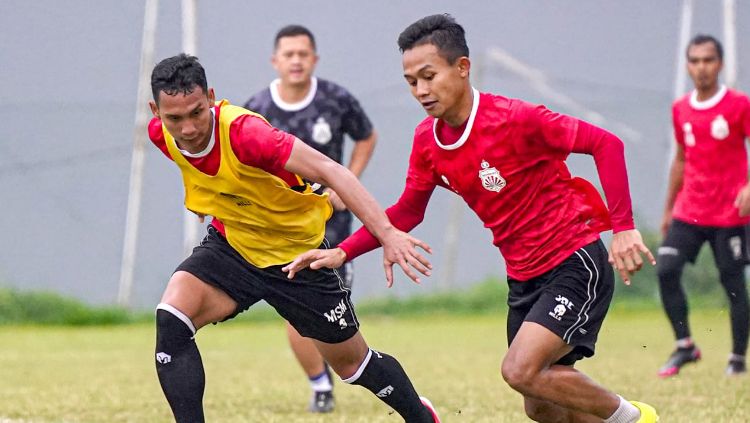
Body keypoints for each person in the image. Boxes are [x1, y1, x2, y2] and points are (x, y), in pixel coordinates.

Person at [284, 14, 660, 422]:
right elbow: (408, 210)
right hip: (523, 277)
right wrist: (343, 252)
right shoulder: (427, 141)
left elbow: (606, 143)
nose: (421, 91)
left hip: (573, 261)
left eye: (429, 76)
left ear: (462, 68)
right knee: (542, 407)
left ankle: (635, 419)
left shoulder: (515, 118)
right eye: (411, 82)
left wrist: (623, 228)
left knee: (520, 370)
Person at [147, 53, 441, 423]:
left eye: (196, 113)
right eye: (175, 118)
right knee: (172, 318)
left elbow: (332, 172)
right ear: (155, 111)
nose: (188, 128)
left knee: (354, 366)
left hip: (297, 256)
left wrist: (388, 235)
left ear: (210, 97)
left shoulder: (248, 135)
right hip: (234, 246)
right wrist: (208, 198)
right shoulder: (160, 134)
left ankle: (421, 417)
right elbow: (200, 167)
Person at [242, 24, 378, 413]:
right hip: (280, 226)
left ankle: (350, 366)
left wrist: (346, 185)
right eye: (289, 54)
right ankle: (320, 384)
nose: (296, 61)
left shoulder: (335, 100)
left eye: (304, 54)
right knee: (295, 304)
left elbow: (366, 136)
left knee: (332, 308)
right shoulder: (256, 109)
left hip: (331, 225)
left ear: (314, 59)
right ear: (275, 61)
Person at [657, 34, 750, 378]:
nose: (701, 68)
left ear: (720, 64)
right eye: (694, 61)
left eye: (708, 60)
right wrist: (668, 209)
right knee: (666, 269)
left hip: (730, 214)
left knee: (733, 283)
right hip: (690, 209)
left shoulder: (739, 104)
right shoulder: (680, 108)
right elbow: (680, 160)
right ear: (687, 66)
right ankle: (685, 346)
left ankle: (737, 359)